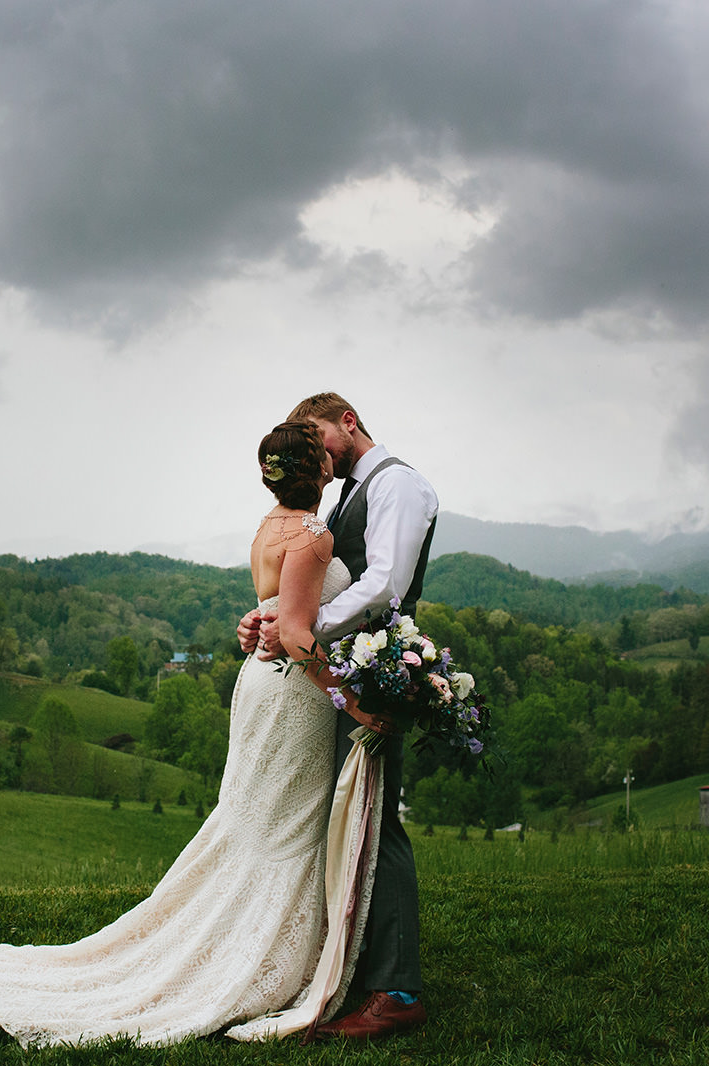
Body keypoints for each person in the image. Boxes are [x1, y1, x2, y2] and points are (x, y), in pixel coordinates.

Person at [0, 421, 396, 1048]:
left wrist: (264, 629)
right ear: (322, 471)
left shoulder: (267, 528)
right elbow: (303, 638)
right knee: (281, 825)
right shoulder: (313, 536)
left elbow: (273, 612)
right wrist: (354, 705)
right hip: (291, 695)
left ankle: (234, 935)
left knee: (258, 821)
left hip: (259, 686)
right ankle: (247, 952)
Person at [238, 391, 439, 1041]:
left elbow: (384, 583)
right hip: (332, 672)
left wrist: (299, 627)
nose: (316, 452)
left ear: (347, 422)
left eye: (319, 435)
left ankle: (397, 989)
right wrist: (277, 619)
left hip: (369, 674)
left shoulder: (399, 485)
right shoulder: (340, 498)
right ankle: (343, 962)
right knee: (339, 820)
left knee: (378, 823)